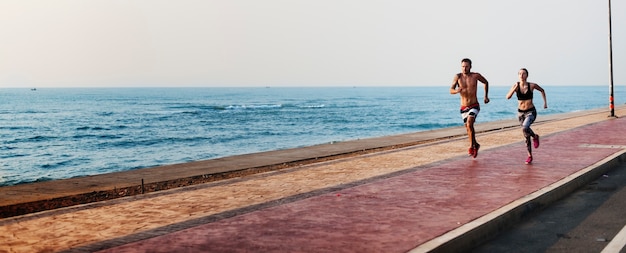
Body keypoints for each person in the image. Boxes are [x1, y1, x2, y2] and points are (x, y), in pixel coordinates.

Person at [449, 58, 490, 158]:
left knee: (469, 123)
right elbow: (451, 90)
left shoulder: (475, 76)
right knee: (468, 128)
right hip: (463, 107)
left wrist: (485, 96)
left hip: (474, 105)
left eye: (466, 66)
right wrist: (457, 91)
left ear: (470, 67)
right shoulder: (458, 77)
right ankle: (476, 144)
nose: (464, 68)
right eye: (463, 66)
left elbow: (486, 82)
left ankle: (471, 146)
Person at [506, 68, 547, 164]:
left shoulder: (532, 85)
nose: (521, 75)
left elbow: (542, 90)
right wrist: (513, 89)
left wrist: (545, 103)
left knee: (525, 127)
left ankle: (534, 137)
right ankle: (530, 155)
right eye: (520, 73)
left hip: (531, 112)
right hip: (520, 113)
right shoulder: (516, 86)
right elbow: (508, 97)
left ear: (527, 75)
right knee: (526, 135)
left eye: (523, 73)